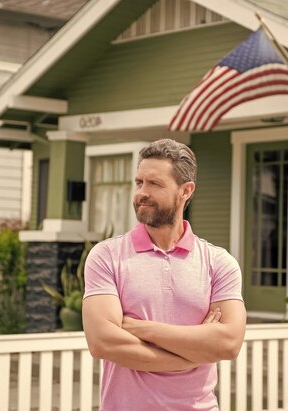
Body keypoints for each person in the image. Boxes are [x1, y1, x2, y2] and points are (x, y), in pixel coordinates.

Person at [82, 138, 246, 411]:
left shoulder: (219, 263)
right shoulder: (107, 256)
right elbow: (103, 342)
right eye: (139, 182)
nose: (141, 193)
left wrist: (141, 328)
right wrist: (192, 355)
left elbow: (228, 343)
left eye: (154, 184)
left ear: (185, 191)